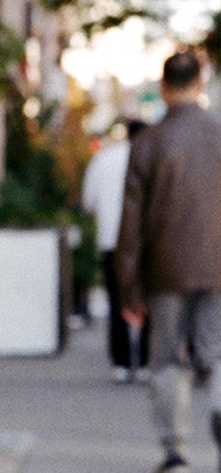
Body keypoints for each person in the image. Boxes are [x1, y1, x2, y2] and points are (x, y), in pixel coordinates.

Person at [115, 49, 221, 473]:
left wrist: (128, 288)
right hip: (217, 267)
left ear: (163, 88)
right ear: (200, 84)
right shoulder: (219, 136)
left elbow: (131, 224)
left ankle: (175, 453)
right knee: (216, 354)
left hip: (164, 270)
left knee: (167, 358)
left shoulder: (149, 143)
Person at [81, 117, 150, 380]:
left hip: (111, 241)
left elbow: (88, 202)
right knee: (148, 301)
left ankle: (121, 362)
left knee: (116, 301)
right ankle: (144, 361)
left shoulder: (104, 159)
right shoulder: (153, 159)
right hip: (146, 243)